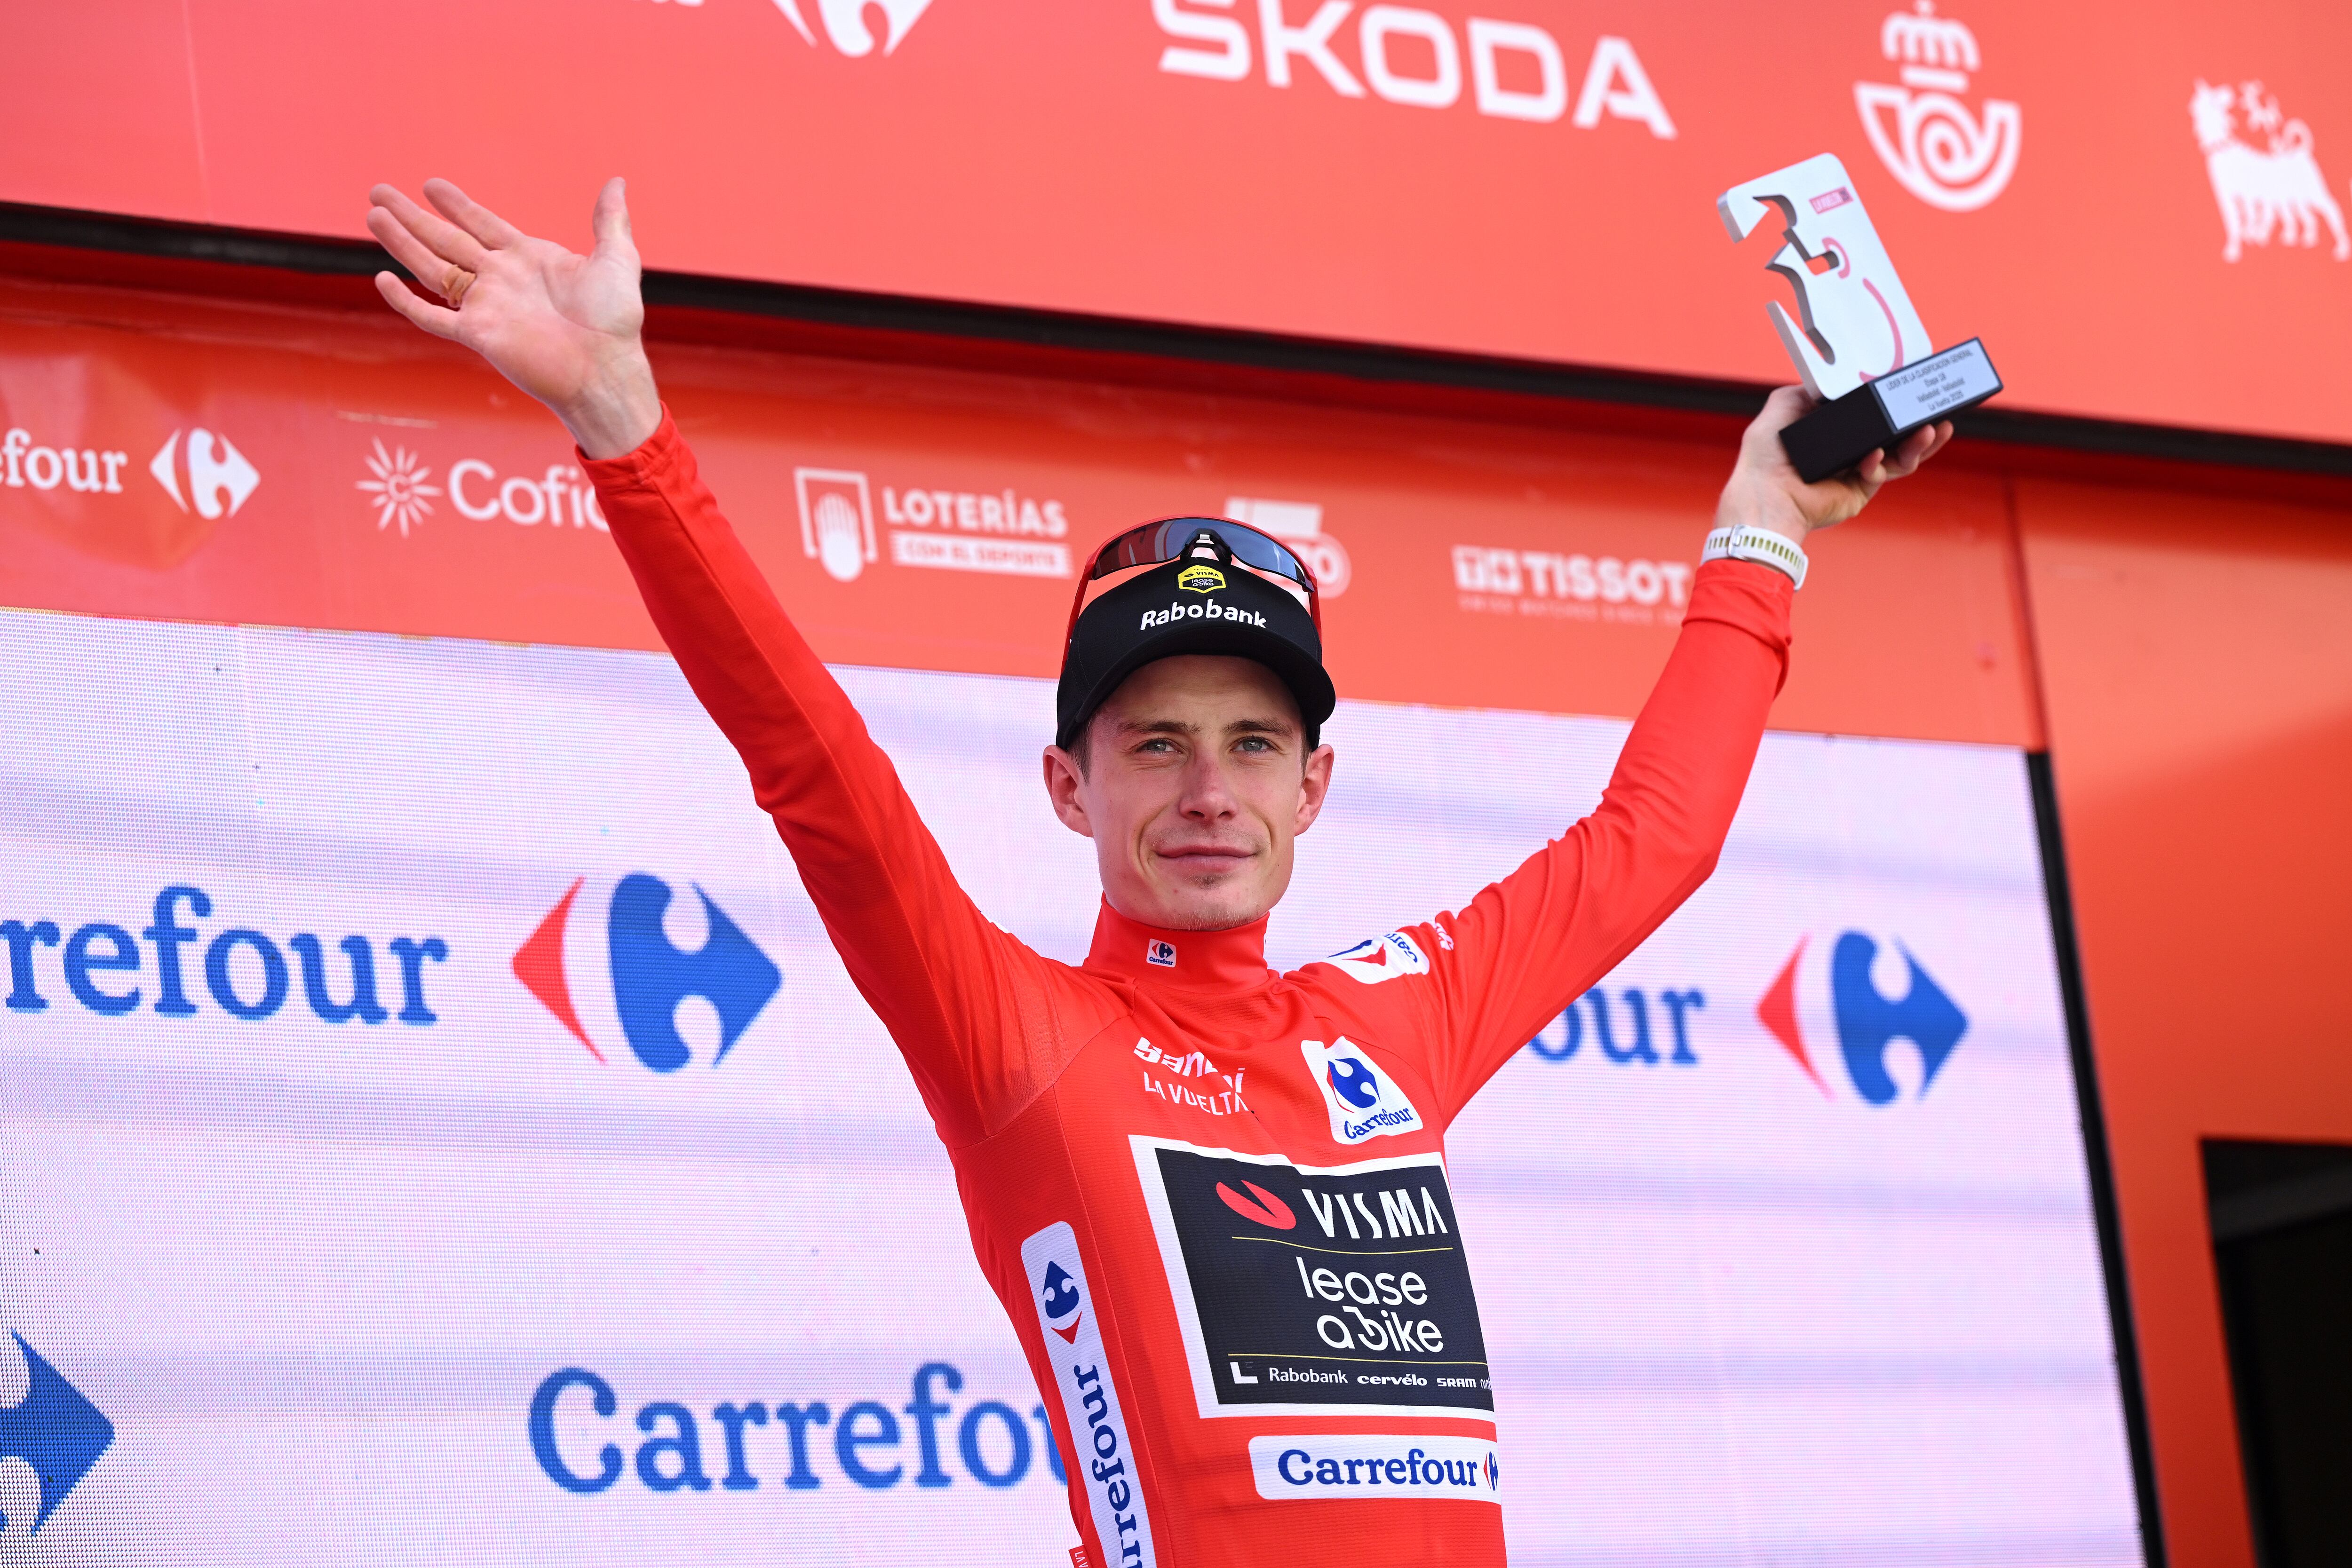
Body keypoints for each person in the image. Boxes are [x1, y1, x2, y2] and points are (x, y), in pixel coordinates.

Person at [366, 176, 1950, 1568]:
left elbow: (1651, 843)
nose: (1208, 791)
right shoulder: (1017, 1041)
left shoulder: (1394, 1025)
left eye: (1255, 746)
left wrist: (1766, 523)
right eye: (1155, 745)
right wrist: (627, 433)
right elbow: (817, 775)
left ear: (1317, 786)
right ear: (1069, 786)